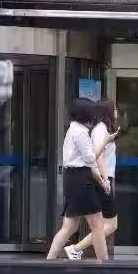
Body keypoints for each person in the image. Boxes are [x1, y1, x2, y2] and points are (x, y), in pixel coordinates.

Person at [47, 98, 118, 261]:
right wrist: (105, 142)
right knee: (97, 225)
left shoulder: (73, 130)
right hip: (81, 181)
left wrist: (101, 180)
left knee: (69, 227)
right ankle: (104, 264)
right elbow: (91, 158)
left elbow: (87, 164)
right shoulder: (79, 132)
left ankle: (49, 261)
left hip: (74, 178)